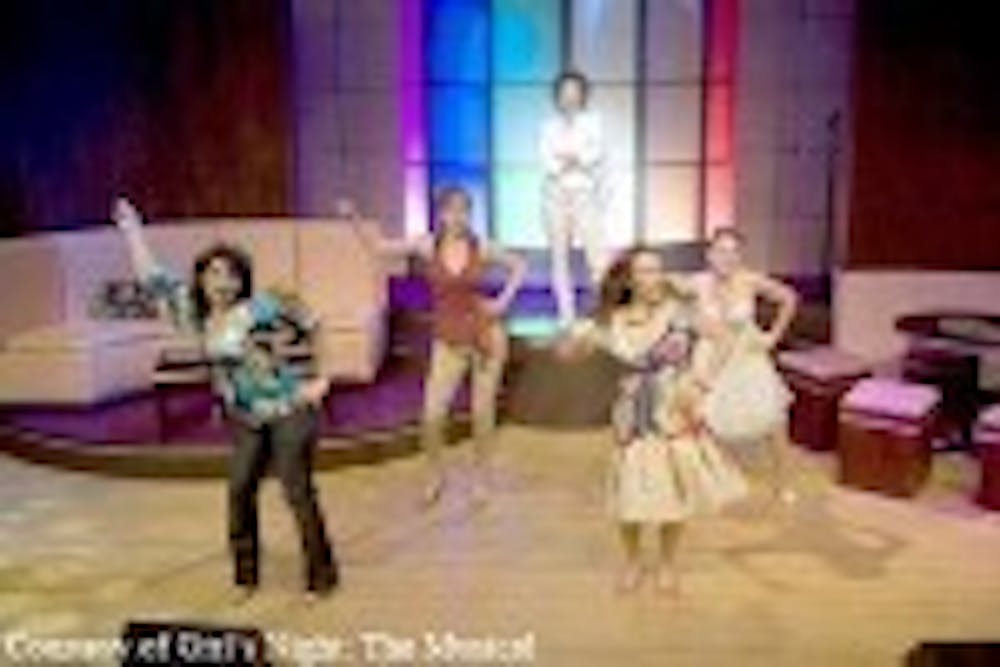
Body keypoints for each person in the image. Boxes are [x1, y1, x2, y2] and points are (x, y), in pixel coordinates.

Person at [111, 197, 338, 601]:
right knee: (239, 490)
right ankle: (245, 578)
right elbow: (153, 279)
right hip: (245, 417)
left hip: (289, 410)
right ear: (201, 279)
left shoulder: (261, 306)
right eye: (214, 273)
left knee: (297, 492)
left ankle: (321, 578)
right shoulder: (196, 315)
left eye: (231, 274)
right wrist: (132, 231)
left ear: (242, 280)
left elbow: (315, 325)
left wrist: (322, 379)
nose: (223, 282)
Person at [558, 246, 746, 594]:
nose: (654, 277)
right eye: (645, 271)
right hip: (631, 412)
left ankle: (667, 563)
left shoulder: (680, 313)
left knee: (673, 491)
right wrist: (575, 339)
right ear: (629, 279)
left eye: (658, 269)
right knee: (629, 493)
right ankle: (633, 561)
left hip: (673, 409)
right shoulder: (612, 320)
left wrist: (701, 383)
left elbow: (725, 338)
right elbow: (567, 354)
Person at [391, 186, 527, 506]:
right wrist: (354, 219)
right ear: (440, 214)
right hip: (448, 338)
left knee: (482, 413)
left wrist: (502, 301)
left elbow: (519, 265)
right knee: (432, 415)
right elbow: (379, 248)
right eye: (451, 210)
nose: (458, 217)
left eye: (464, 210)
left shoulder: (482, 246)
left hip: (485, 335)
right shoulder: (428, 245)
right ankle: (435, 474)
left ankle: (481, 477)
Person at [693, 227, 799, 505]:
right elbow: (670, 305)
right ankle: (711, 480)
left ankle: (784, 481)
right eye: (721, 251)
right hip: (711, 358)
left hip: (747, 358)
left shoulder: (750, 280)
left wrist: (773, 336)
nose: (727, 257)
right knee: (704, 421)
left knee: (774, 420)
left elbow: (789, 298)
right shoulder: (697, 283)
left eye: (734, 252)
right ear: (709, 254)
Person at [540, 70, 608, 328]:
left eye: (574, 92)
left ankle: (603, 309)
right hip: (554, 194)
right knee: (559, 256)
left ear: (583, 95)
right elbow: (548, 161)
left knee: (597, 255)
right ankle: (565, 313)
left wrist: (573, 158)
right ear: (557, 96)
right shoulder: (548, 125)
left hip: (584, 193)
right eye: (564, 92)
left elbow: (596, 154)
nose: (569, 98)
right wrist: (575, 158)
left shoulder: (594, 122)